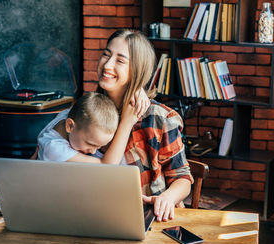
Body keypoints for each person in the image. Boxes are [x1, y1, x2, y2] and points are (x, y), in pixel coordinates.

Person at [94, 29, 193, 222]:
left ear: (137, 71)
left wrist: (168, 197)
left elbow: (182, 177)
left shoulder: (159, 118)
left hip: (147, 217)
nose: (107, 64)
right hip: (98, 213)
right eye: (106, 54)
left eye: (120, 60)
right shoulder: (89, 110)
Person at [37, 92, 143, 164]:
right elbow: (106, 166)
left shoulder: (69, 114)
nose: (93, 152)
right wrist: (127, 123)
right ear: (70, 126)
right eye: (90, 144)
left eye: (99, 147)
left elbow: (90, 104)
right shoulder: (54, 149)